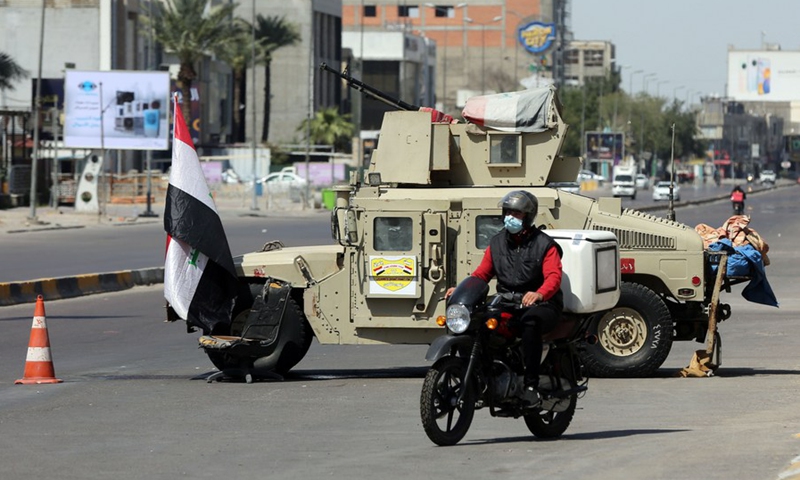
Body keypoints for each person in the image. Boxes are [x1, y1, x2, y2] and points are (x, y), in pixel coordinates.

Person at [446, 190, 563, 405]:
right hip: (509, 302)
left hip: (543, 304)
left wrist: (539, 293)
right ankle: (480, 375)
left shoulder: (544, 244)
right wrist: (462, 288)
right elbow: (482, 273)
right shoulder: (497, 242)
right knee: (476, 320)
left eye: (516, 214)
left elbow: (554, 277)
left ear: (527, 216)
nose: (511, 217)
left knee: (530, 322)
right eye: (508, 212)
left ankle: (531, 385)